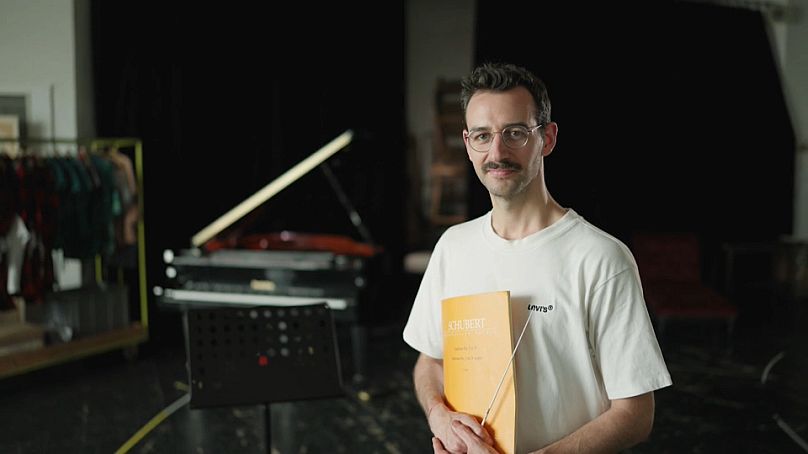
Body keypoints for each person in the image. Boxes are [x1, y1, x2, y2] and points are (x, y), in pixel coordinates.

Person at [402, 62, 672, 453]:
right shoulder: (452, 246)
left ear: (546, 138)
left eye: (514, 133)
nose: (497, 152)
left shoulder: (601, 258)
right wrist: (440, 417)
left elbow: (636, 413)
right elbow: (430, 362)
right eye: (483, 135)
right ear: (468, 143)